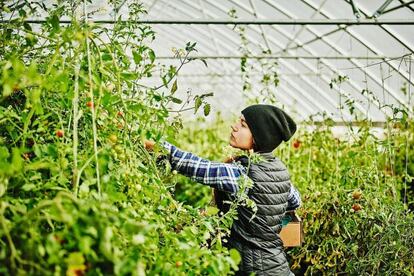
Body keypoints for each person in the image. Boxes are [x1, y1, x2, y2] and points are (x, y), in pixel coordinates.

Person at [145, 104, 301, 275]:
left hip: (255, 270)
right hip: (277, 267)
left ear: (259, 136)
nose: (234, 126)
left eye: (243, 125)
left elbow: (196, 166)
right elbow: (295, 201)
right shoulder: (278, 169)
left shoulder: (245, 174)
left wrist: (151, 144)